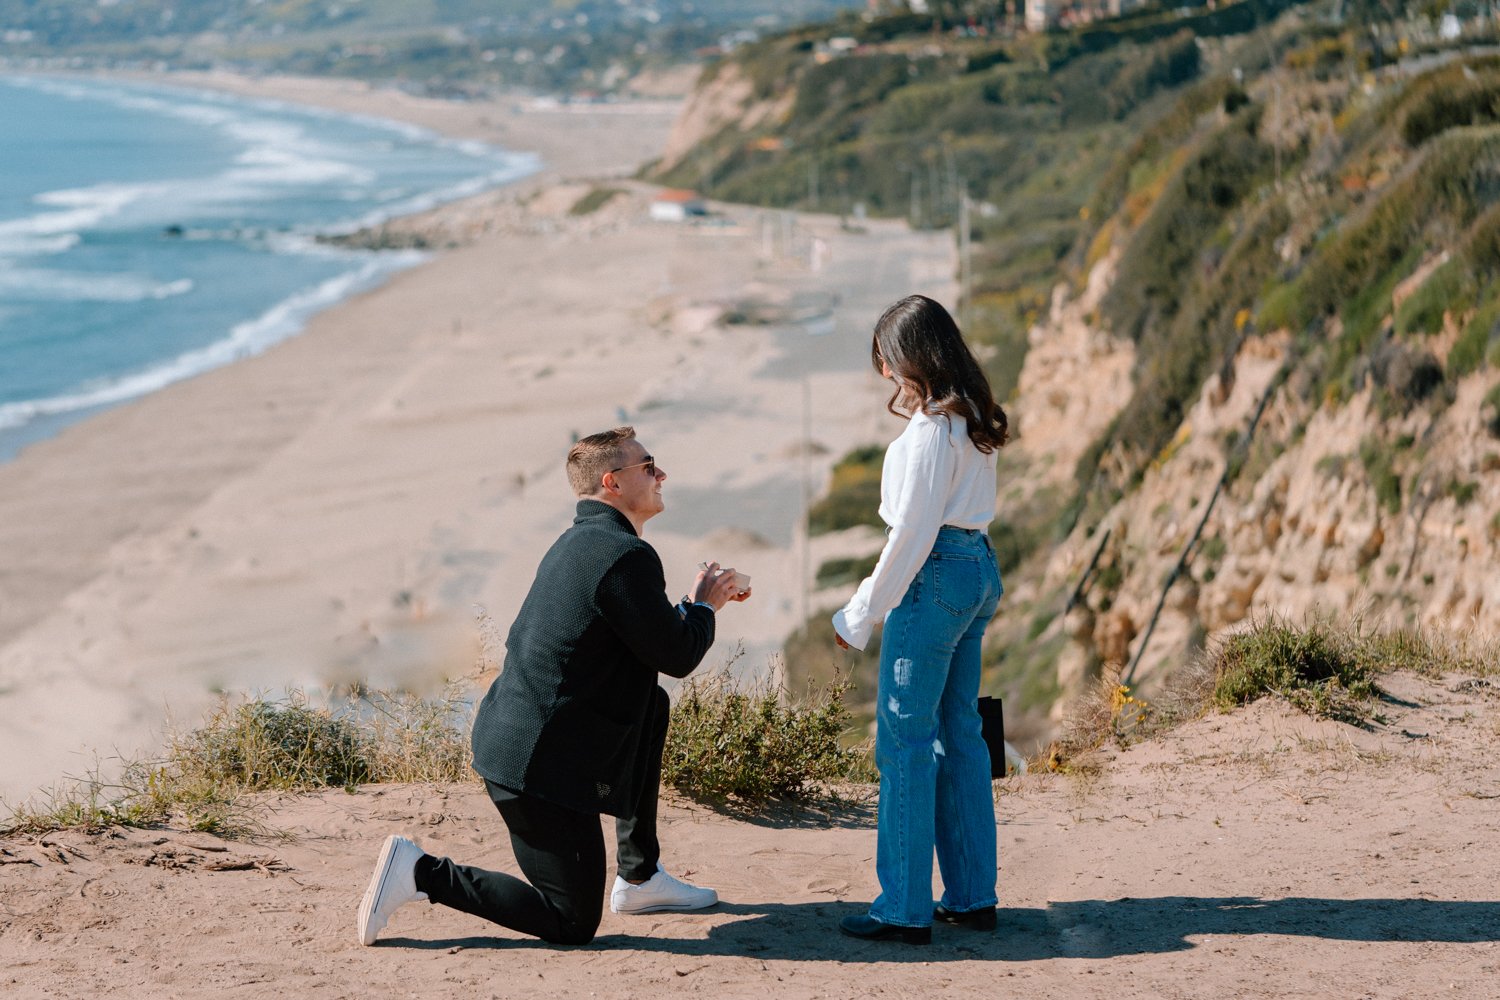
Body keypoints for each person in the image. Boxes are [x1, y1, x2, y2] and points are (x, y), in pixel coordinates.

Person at [357, 426, 750, 946]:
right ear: (612, 482)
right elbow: (677, 656)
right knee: (571, 921)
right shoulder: (624, 555)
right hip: (534, 769)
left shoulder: (588, 542)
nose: (661, 475)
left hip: (524, 741)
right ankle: (420, 872)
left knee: (649, 703)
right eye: (649, 466)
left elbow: (641, 635)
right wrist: (705, 608)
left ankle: (640, 876)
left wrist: (692, 605)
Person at [831, 295, 1007, 946]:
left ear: (910, 357)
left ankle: (904, 908)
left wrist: (859, 613)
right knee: (960, 734)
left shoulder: (935, 428)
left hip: (936, 575)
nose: (887, 378)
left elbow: (913, 532)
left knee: (903, 744)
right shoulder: (975, 417)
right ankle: (971, 895)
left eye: (887, 362)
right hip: (976, 567)